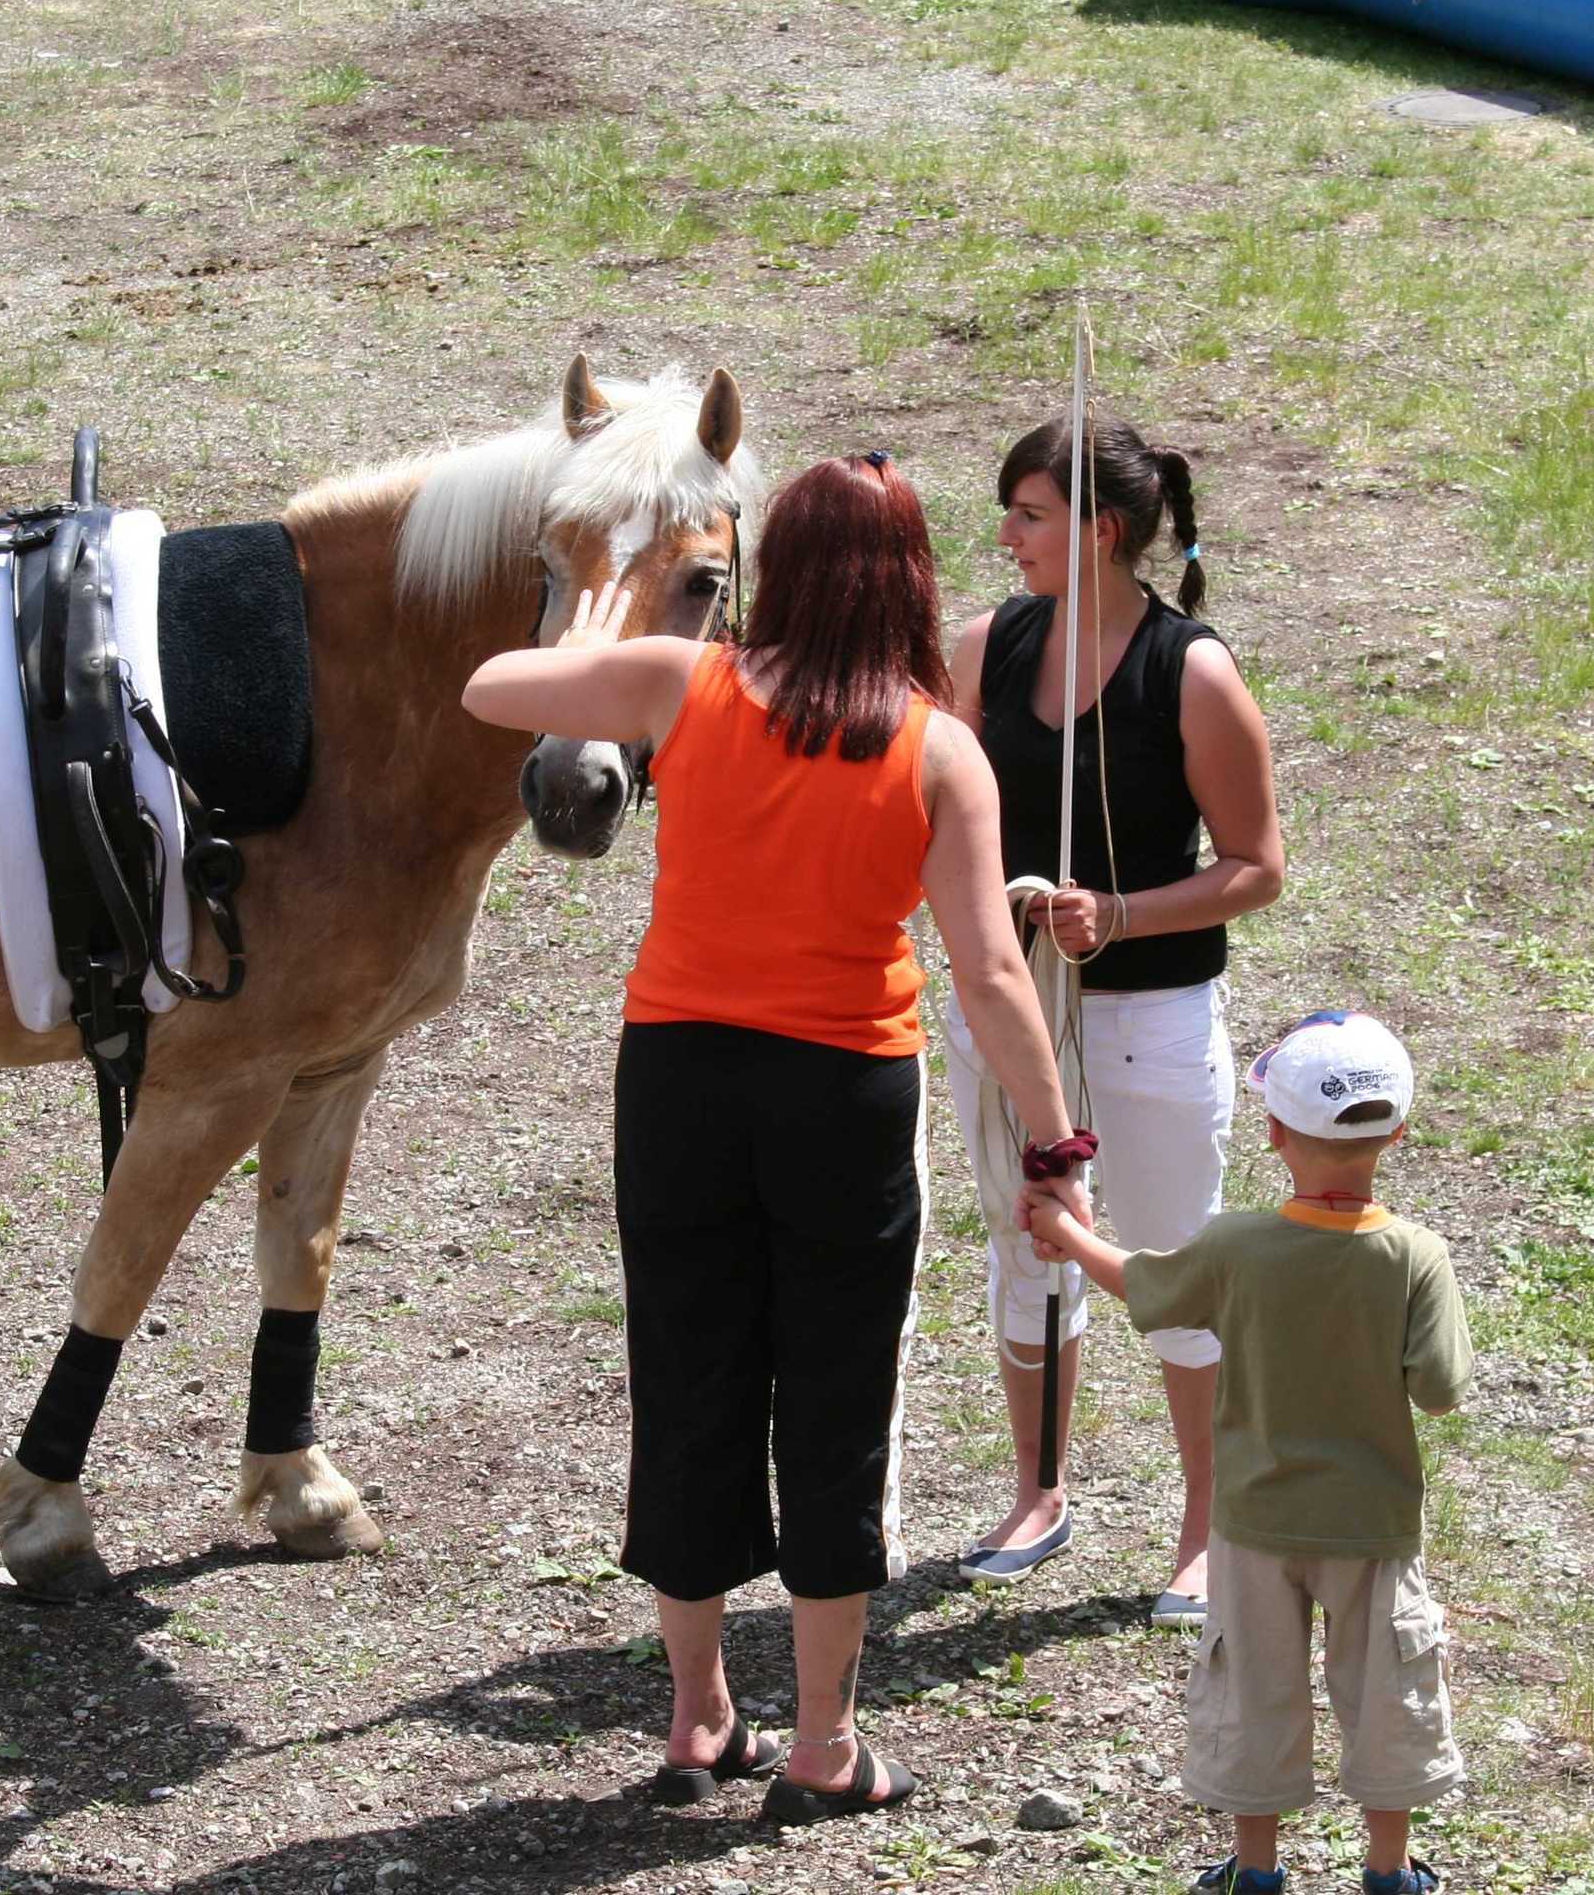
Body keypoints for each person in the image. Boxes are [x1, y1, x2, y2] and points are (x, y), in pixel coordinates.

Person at [461, 452, 1095, 1825]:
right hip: (842, 1090)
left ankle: (695, 1713)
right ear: (910, 581)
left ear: (773, 574)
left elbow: (488, 692)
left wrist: (612, 623)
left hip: (678, 1076)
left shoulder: (680, 688)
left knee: (688, 1376)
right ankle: (822, 1739)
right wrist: (1053, 1146)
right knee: (833, 1402)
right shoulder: (938, 749)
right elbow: (990, 974)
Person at [946, 416, 1285, 1625]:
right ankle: (1038, 1492)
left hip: (1150, 1016)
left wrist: (1122, 914)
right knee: (1027, 1237)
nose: (1004, 537)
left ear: (1098, 532)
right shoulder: (986, 645)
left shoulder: (1190, 670)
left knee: (1168, 1252)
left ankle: (1206, 1523)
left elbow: (1255, 865)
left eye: (1028, 515)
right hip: (1011, 1010)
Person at [1020, 1009, 1468, 1895]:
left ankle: (1256, 1872)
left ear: (1272, 1132)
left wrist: (1067, 1232)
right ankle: (1389, 1869)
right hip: (1373, 1527)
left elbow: (1144, 1285)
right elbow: (1440, 1388)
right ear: (1401, 1131)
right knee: (1385, 1692)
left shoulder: (1236, 1248)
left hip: (1256, 1523)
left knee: (1255, 1691)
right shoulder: (1417, 1255)